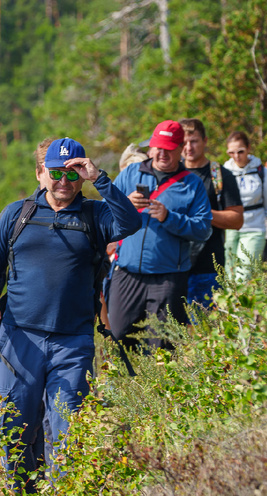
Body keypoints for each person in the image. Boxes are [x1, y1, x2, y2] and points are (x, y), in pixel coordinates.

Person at [0, 136, 141, 492]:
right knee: (13, 428)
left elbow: (131, 224)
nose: (65, 181)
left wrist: (99, 178)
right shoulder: (17, 214)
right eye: (57, 171)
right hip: (18, 339)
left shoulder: (95, 215)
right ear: (40, 173)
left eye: (74, 172)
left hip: (72, 343)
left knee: (69, 431)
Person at [109, 120, 212, 350]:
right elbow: (106, 213)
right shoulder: (130, 173)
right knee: (118, 337)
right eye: (158, 146)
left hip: (168, 278)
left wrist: (169, 217)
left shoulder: (192, 184)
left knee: (162, 347)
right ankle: (124, 386)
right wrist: (126, 204)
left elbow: (203, 229)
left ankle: (159, 387)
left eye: (169, 147)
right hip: (127, 274)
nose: (162, 153)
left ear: (180, 148)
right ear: (151, 147)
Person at [180, 118, 243, 305]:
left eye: (194, 141)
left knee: (205, 331)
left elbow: (237, 220)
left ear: (205, 141)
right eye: (183, 142)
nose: (188, 147)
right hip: (172, 267)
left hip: (208, 268)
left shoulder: (221, 175)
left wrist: (203, 213)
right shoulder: (170, 174)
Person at [223, 131, 267, 282]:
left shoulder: (261, 171)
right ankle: (233, 306)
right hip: (230, 229)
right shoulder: (224, 171)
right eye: (231, 152)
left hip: (254, 228)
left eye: (240, 151)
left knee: (243, 275)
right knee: (229, 277)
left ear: (248, 149)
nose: (236, 156)